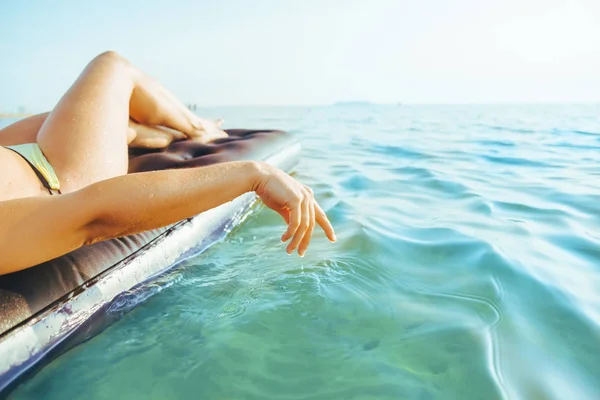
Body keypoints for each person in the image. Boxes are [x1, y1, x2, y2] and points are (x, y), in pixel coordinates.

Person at [0, 51, 336, 276]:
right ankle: (197, 128)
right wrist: (255, 175)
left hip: (16, 153)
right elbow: (92, 215)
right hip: (58, 173)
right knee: (112, 67)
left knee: (101, 111)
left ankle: (142, 132)